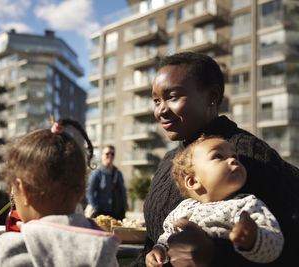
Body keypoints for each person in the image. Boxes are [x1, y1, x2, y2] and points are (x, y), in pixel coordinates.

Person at [132, 52, 299, 267]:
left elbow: (289, 241)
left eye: (172, 97)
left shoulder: (250, 155)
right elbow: (154, 240)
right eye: (156, 100)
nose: (160, 110)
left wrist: (216, 255)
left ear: (212, 95)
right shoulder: (171, 160)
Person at [0, 119, 121, 267]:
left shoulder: (7, 252)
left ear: (24, 190)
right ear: (82, 190)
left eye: (12, 190)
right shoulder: (104, 249)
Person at [146, 135, 284, 267]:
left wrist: (253, 238)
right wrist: (159, 250)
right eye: (218, 156)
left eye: (234, 156)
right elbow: (168, 235)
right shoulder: (184, 208)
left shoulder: (247, 204)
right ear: (193, 181)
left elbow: (275, 243)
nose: (233, 160)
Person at [86, 145, 128, 220]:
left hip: (118, 214)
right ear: (102, 156)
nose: (110, 156)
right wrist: (97, 208)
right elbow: (90, 193)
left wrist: (125, 207)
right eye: (107, 154)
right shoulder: (97, 173)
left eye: (112, 154)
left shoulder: (118, 173)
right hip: (102, 214)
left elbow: (123, 192)